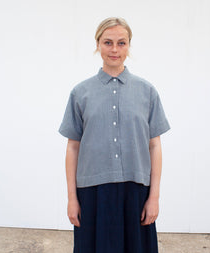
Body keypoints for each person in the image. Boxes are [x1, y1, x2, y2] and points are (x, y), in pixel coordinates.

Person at [59, 17, 171, 253]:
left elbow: (155, 146)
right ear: (98, 44)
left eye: (122, 43)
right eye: (108, 42)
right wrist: (72, 198)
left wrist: (154, 197)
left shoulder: (147, 91)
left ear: (129, 46)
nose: (114, 49)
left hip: (136, 191)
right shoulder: (80, 93)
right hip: (93, 193)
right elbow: (73, 148)